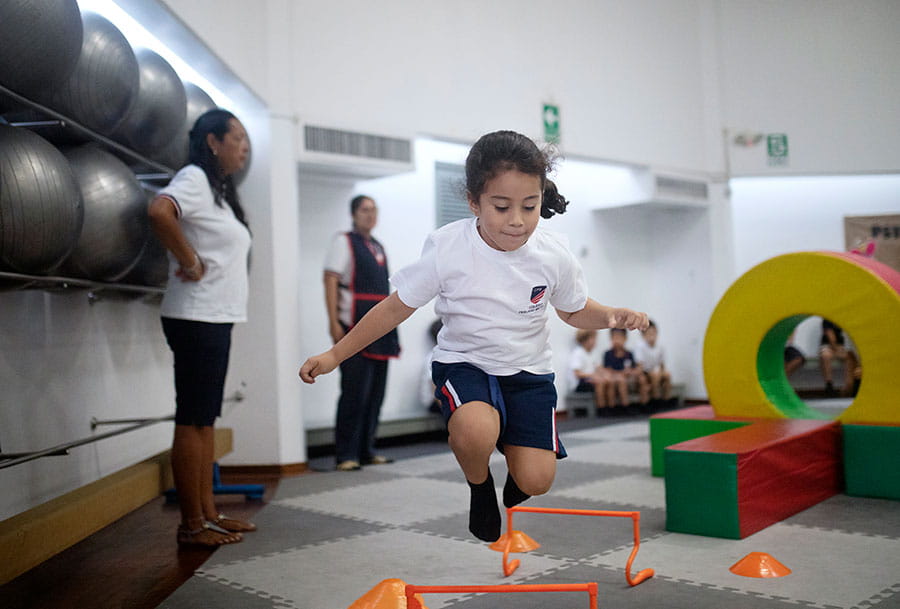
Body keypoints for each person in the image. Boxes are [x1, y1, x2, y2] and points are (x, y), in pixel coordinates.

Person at [300, 130, 648, 542]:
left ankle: (516, 478)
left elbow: (573, 310)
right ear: (473, 202)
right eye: (501, 207)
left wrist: (611, 315)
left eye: (530, 206)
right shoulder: (449, 248)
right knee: (475, 429)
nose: (517, 220)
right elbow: (395, 307)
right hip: (464, 363)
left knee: (537, 480)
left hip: (529, 373)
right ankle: (479, 484)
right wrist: (335, 355)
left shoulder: (553, 253)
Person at [148, 109, 254, 547]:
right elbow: (159, 211)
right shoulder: (193, 177)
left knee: (206, 420)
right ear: (212, 141)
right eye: (238, 138)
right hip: (195, 315)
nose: (245, 148)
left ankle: (208, 513)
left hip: (213, 316)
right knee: (192, 419)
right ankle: (190, 526)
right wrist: (190, 260)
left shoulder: (219, 192)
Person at [323, 195, 400, 471]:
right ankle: (346, 454)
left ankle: (367, 449)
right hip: (352, 326)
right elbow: (330, 279)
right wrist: (333, 323)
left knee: (376, 393)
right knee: (354, 392)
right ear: (353, 214)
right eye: (365, 210)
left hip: (381, 328)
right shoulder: (343, 241)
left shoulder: (377, 246)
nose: (370, 215)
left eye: (374, 210)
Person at [603, 328, 650, 411]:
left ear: (625, 339)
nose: (616, 340)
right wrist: (621, 373)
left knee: (642, 379)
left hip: (628, 377)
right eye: (614, 337)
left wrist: (631, 372)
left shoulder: (629, 354)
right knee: (621, 380)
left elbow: (634, 368)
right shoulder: (608, 354)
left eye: (619, 337)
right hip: (616, 378)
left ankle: (645, 405)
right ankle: (624, 407)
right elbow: (607, 370)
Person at [567, 329, 607, 412]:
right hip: (580, 383)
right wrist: (592, 376)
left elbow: (599, 368)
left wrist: (605, 375)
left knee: (607, 381)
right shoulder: (578, 353)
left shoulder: (593, 353)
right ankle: (601, 408)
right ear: (585, 340)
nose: (595, 341)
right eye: (593, 339)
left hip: (591, 379)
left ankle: (612, 406)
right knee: (599, 383)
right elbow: (577, 373)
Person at [634, 320, 672, 407]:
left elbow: (662, 365)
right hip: (645, 372)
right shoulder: (640, 346)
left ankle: (666, 401)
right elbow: (640, 366)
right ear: (643, 335)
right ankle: (655, 401)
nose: (652, 336)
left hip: (655, 371)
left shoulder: (660, 347)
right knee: (655, 376)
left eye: (654, 333)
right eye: (649, 333)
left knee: (667, 375)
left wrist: (663, 373)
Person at [818, 318, 859, 396]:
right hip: (828, 345)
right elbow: (830, 336)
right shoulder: (827, 320)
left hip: (843, 346)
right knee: (825, 355)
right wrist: (836, 349)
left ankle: (850, 385)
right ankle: (829, 385)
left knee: (851, 357)